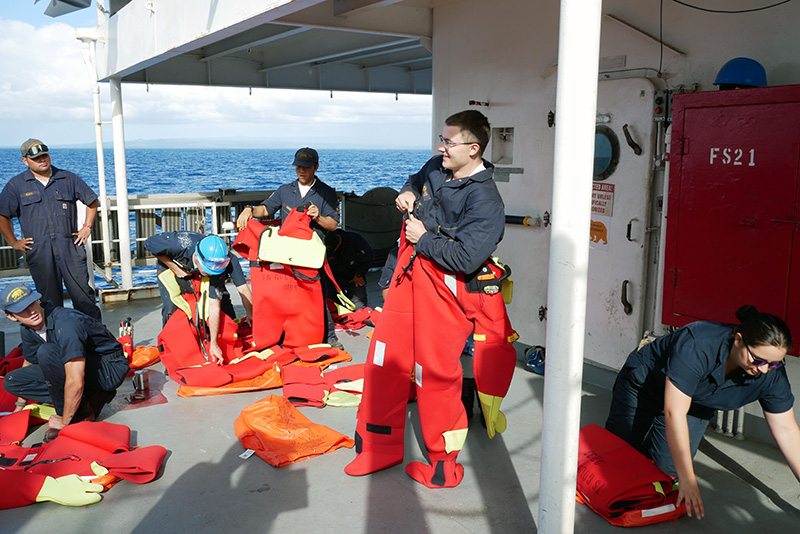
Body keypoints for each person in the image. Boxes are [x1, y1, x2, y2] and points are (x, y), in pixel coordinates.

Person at [345, 110, 518, 488]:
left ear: (473, 149)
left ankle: (443, 466)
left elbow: (466, 258)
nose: (441, 147)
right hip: (409, 278)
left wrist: (423, 237)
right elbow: (416, 179)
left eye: (449, 142)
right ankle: (377, 447)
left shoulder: (486, 202)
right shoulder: (436, 167)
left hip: (446, 293)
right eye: (441, 139)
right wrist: (406, 191)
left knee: (434, 374)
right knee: (383, 360)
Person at [605, 305, 800, 519]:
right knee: (619, 459)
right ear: (738, 340)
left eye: (773, 363)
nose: (763, 369)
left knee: (667, 477)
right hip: (646, 388)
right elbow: (673, 412)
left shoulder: (770, 374)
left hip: (695, 405)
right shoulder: (699, 343)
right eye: (758, 360)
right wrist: (689, 478)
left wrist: (682, 477)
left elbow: (787, 430)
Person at [236, 147, 342, 347]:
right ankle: (286, 334)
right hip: (286, 253)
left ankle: (328, 336)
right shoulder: (285, 190)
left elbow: (334, 225)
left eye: (306, 167)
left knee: (317, 294)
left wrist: (317, 217)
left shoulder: (326, 193)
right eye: (298, 167)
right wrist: (249, 210)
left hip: (311, 253)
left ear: (316, 167)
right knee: (287, 295)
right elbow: (266, 209)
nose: (301, 170)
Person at [1, 283, 130, 442]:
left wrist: (64, 419)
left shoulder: (66, 322)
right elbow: (29, 359)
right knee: (13, 381)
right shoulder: (27, 329)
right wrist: (19, 406)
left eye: (31, 303)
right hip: (81, 367)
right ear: (11, 316)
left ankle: (80, 414)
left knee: (47, 352)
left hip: (109, 369)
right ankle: (90, 397)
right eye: (22, 309)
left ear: (37, 300)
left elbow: (75, 379)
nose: (31, 311)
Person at [0, 139, 102, 320]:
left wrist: (87, 227)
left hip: (70, 247)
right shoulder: (17, 185)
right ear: (25, 161)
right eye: (36, 158)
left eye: (44, 155)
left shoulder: (68, 178)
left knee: (83, 297)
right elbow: (2, 215)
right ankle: (58, 341)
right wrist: (13, 242)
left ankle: (97, 341)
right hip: (39, 251)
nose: (42, 160)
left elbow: (92, 201)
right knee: (49, 301)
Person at [145, 232, 253, 364]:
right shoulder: (177, 244)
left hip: (204, 266)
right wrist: (175, 268)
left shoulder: (221, 265)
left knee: (222, 303)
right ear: (197, 257)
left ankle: (218, 341)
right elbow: (149, 243)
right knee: (173, 307)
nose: (209, 274)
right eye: (208, 270)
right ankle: (170, 352)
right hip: (173, 264)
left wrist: (250, 313)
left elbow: (221, 301)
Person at [324, 228, 374, 310]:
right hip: (335, 279)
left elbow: (369, 256)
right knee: (334, 308)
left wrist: (359, 274)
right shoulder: (326, 243)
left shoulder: (353, 239)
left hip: (354, 276)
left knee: (359, 308)